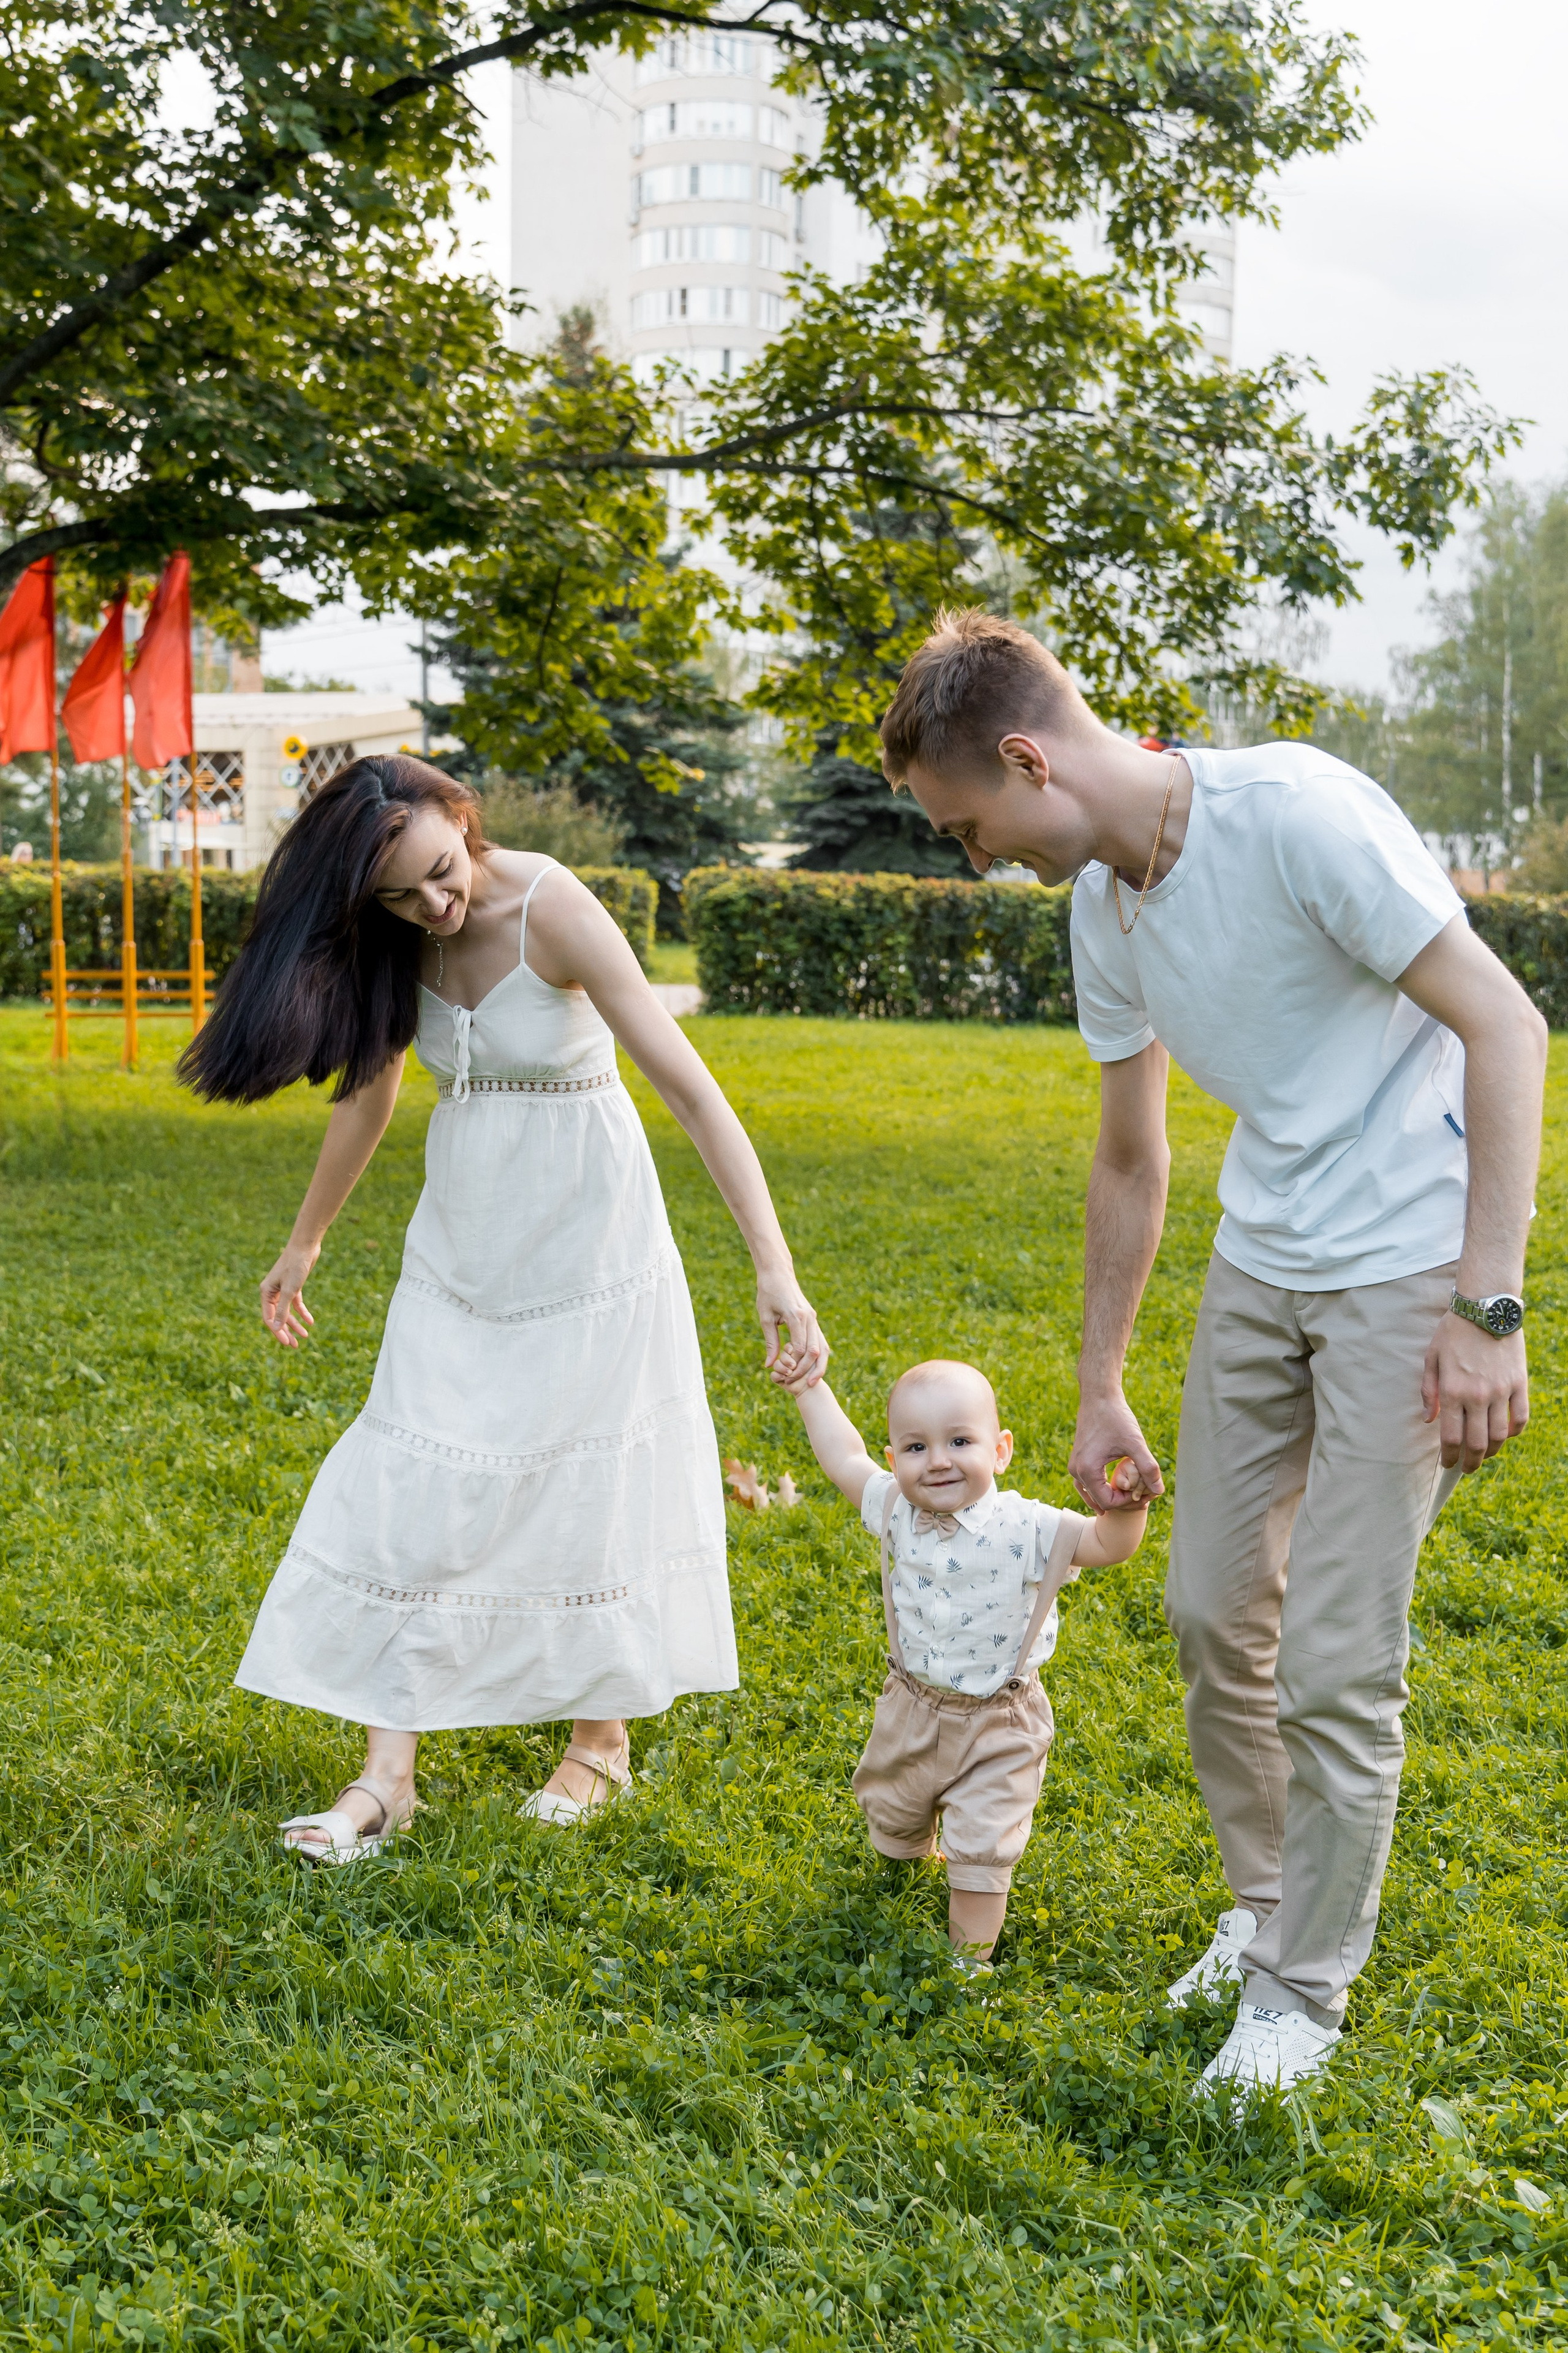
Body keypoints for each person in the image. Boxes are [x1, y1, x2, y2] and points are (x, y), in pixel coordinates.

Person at [878, 610, 1546, 2092]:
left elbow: (1504, 1026)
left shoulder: (1293, 817)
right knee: (1203, 1610)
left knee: (1332, 1649)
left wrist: (1484, 1304)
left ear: (1029, 757)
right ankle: (1261, 1906)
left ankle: (1300, 1992)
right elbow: (1130, 1155)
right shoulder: (1101, 910)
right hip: (1263, 1257)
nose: (976, 857)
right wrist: (1099, 1373)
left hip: (1404, 1265)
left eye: (969, 826)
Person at [181, 756, 825, 1863]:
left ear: (462, 818)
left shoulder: (552, 906)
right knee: (413, 1468)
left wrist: (774, 1268)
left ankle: (599, 1742)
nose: (435, 906)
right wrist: (304, 1239)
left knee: (586, 1467)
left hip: (590, 1234)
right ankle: (387, 1779)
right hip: (464, 1240)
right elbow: (371, 1094)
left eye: (438, 873)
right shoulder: (402, 935)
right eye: (398, 898)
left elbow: (687, 1085)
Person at [785, 1356, 1147, 1966]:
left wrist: (1127, 1506)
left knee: (981, 1848)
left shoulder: (1027, 1527)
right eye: (916, 1446)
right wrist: (808, 1388)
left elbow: (1106, 1545)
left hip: (999, 1722)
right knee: (894, 1811)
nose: (938, 1460)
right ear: (894, 1457)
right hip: (912, 1705)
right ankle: (905, 1858)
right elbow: (844, 1457)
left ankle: (966, 1965)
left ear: (1000, 1449)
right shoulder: (896, 1510)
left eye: (959, 1440)